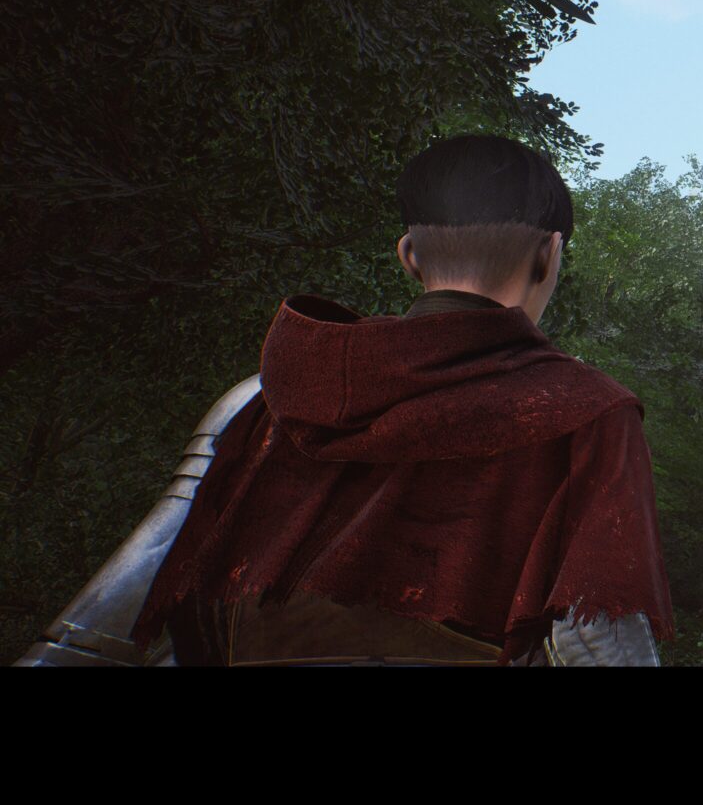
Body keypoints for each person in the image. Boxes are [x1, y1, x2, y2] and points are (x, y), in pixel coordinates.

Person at [128, 135, 672, 666]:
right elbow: (595, 643)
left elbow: (126, 618)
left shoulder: (260, 403)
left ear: (409, 255)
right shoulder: (587, 415)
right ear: (548, 255)